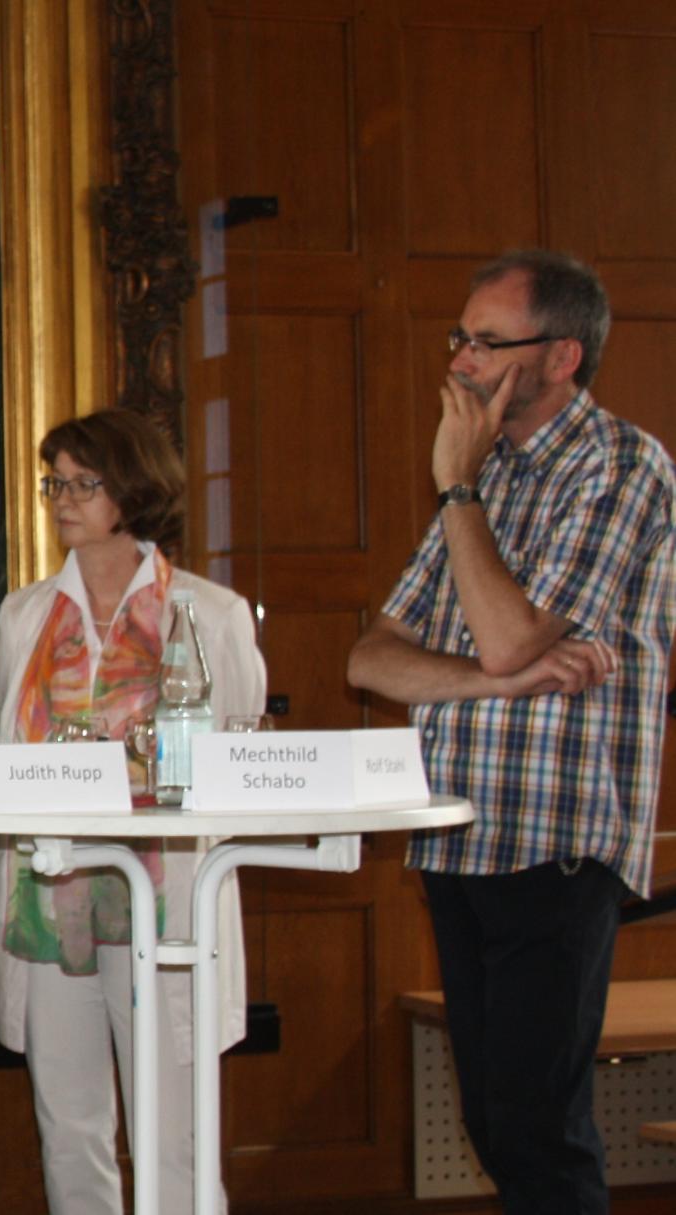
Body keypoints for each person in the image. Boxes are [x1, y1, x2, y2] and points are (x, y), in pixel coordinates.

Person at [347, 250, 675, 1215]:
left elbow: (509, 634)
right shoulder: (491, 479)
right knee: (494, 1119)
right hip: (459, 833)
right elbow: (371, 656)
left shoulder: (620, 465)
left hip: (557, 838)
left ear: (563, 354)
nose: (462, 361)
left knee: (537, 1122)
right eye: (461, 336)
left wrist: (455, 491)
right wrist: (508, 678)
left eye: (489, 342)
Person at [0, 408, 263, 1215]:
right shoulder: (22, 617)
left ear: (135, 490)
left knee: (171, 1131)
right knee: (69, 1126)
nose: (62, 499)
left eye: (84, 482)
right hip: (51, 897)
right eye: (54, 482)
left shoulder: (211, 613)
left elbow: (234, 756)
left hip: (165, 899)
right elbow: (16, 746)